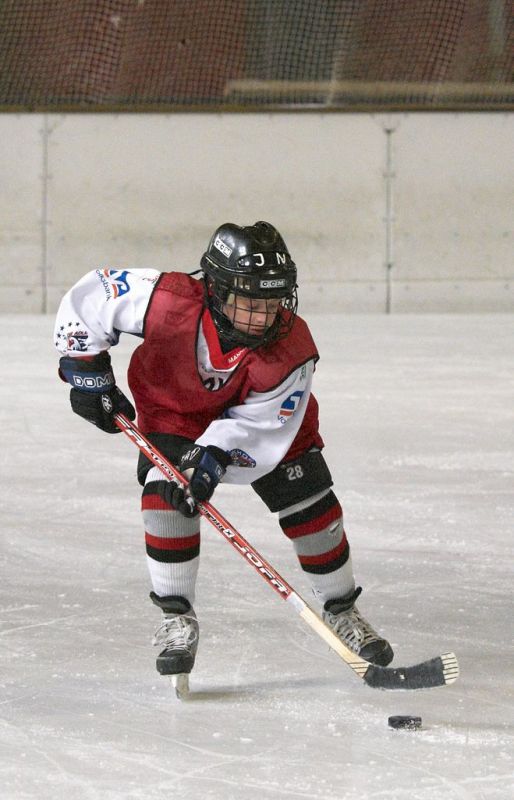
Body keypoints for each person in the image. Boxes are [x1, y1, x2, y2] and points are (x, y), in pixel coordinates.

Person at [55, 221, 393, 685]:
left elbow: (264, 427)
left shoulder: (291, 347)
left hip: (267, 425)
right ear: (215, 289)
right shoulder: (167, 300)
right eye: (250, 302)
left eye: (272, 303)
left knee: (313, 506)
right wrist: (86, 372)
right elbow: (93, 297)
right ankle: (176, 618)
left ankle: (342, 610)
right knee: (166, 498)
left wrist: (213, 457)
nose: (263, 317)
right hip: (174, 413)